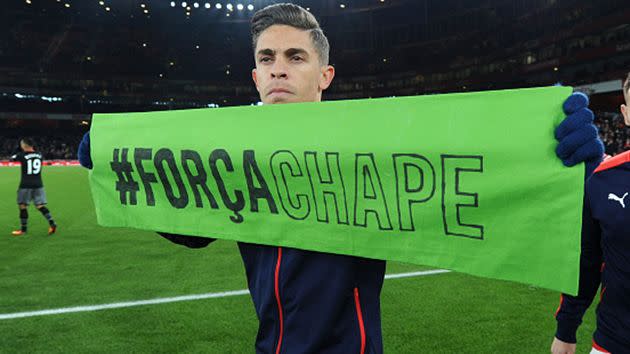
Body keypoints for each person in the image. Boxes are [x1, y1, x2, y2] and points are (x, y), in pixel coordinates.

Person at [79, 3, 604, 353]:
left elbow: (477, 183)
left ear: (323, 75)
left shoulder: (369, 145)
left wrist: (554, 156)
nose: (279, 68)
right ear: (255, 76)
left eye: (295, 56)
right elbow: (191, 226)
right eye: (267, 58)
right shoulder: (236, 150)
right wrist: (118, 161)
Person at [551, 73, 630, 354]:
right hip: (612, 343)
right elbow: (588, 260)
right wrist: (566, 330)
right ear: (626, 113)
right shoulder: (601, 179)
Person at [10, 138, 57, 236]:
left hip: (25, 184)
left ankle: (23, 230)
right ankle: (52, 223)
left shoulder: (21, 155)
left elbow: (12, 158)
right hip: (38, 184)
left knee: (22, 206)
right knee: (40, 205)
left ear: (24, 145)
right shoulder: (39, 155)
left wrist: (17, 151)